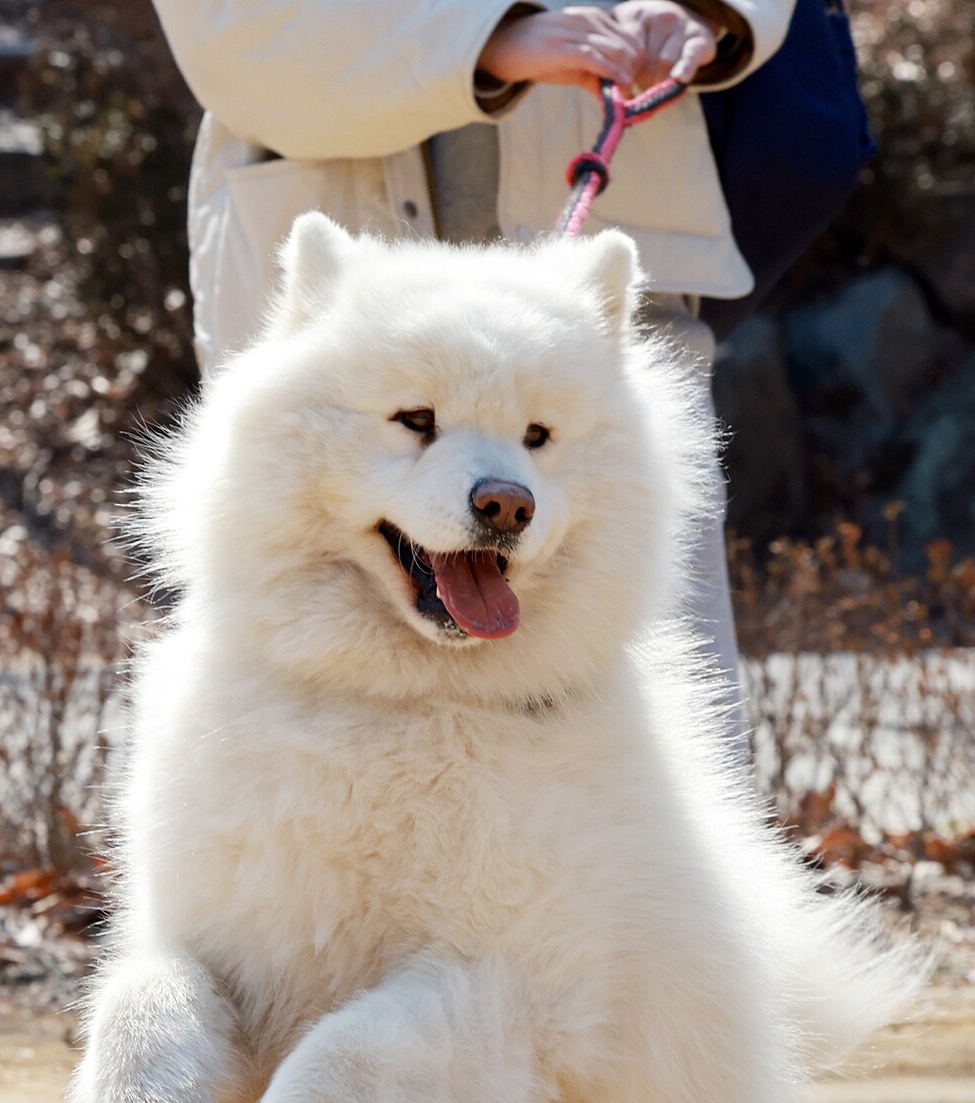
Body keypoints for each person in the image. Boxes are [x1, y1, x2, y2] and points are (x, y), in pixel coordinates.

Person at [149, 0, 798, 711]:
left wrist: (702, 11)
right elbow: (226, 29)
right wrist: (480, 40)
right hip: (343, 260)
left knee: (652, 716)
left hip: (601, 290)